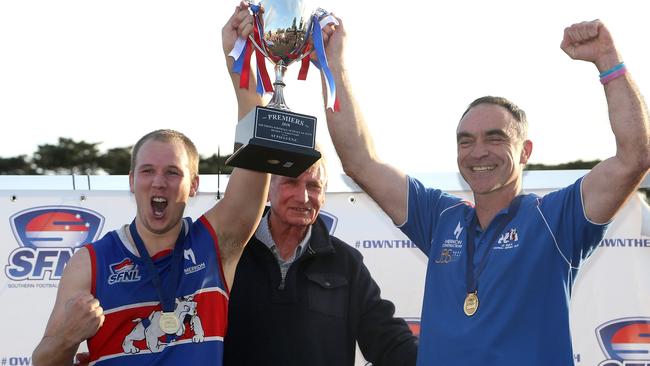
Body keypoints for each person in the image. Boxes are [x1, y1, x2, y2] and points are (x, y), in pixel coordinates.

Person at [320, 18, 650, 365]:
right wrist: (334, 65)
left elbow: (635, 158)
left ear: (525, 152)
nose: (478, 152)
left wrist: (608, 60)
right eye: (466, 141)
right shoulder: (440, 218)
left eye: (495, 138)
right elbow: (360, 161)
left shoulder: (555, 219)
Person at [31, 5, 270, 365]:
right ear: (131, 182)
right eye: (147, 171)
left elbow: (255, 161)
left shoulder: (214, 243)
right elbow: (44, 360)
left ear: (193, 186)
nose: (159, 181)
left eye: (173, 172)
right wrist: (67, 336)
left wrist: (239, 57)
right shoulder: (91, 262)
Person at [223, 155, 418, 366]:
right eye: (291, 182)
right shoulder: (231, 252)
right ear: (267, 189)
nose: (303, 197)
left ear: (324, 196)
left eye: (314, 186)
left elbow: (387, 339)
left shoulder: (347, 263)